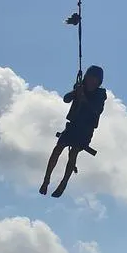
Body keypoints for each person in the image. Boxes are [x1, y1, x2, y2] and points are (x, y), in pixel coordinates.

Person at [40, 65, 106, 198]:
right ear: (86, 78)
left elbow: (96, 110)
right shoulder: (80, 88)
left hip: (85, 130)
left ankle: (64, 182)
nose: (92, 82)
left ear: (98, 83)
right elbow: (66, 99)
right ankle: (46, 179)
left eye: (95, 80)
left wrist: (84, 99)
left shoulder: (100, 94)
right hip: (73, 125)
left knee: (73, 152)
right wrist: (76, 91)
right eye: (90, 79)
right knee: (58, 148)